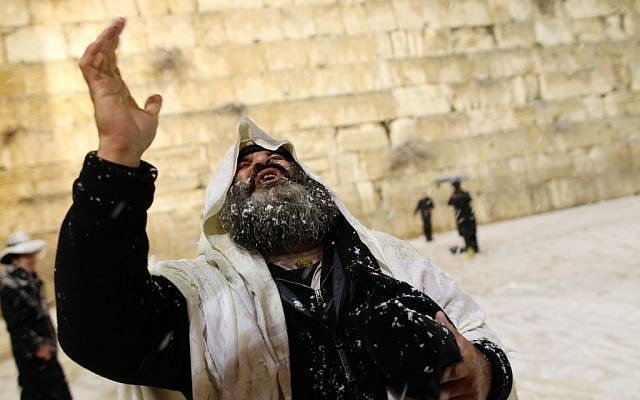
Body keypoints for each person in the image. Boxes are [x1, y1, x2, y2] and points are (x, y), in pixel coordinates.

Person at [54, 18, 514, 400]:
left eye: (277, 159)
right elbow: (100, 331)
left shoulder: (397, 262)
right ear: (225, 208)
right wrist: (116, 158)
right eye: (246, 167)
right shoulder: (201, 298)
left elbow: (476, 335)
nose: (263, 164)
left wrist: (482, 371)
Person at [0, 232, 72, 400]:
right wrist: (38, 347)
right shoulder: (7, 286)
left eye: (31, 255)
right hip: (31, 354)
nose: (31, 259)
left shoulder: (32, 279)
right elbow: (15, 325)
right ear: (14, 259)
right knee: (35, 392)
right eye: (26, 256)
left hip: (47, 348)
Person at [447, 181, 479, 254]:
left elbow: (449, 203)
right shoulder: (465, 193)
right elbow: (470, 199)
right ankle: (476, 249)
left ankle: (470, 251)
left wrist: (452, 195)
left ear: (454, 187)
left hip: (462, 218)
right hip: (470, 216)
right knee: (472, 234)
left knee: (466, 236)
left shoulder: (454, 196)